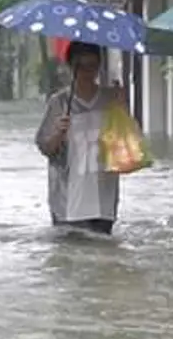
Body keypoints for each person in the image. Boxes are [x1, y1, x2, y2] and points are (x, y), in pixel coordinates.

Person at [34, 40, 126, 235]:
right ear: (70, 67)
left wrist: (122, 112)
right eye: (79, 66)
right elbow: (46, 148)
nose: (86, 72)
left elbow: (127, 146)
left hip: (104, 196)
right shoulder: (58, 102)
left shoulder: (111, 99)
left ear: (99, 66)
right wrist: (59, 132)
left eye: (91, 66)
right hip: (67, 198)